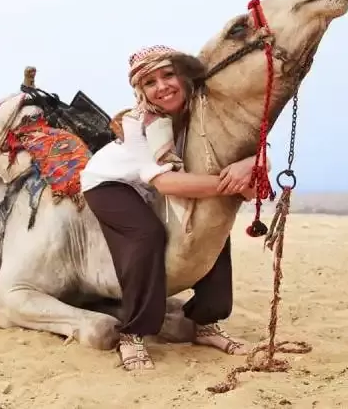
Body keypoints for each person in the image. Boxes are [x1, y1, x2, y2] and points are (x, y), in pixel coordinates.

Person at [80, 45, 257, 371]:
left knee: (212, 225)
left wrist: (252, 162)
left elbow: (252, 145)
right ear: (140, 90)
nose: (161, 87)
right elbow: (163, 183)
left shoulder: (204, 110)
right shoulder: (138, 122)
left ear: (183, 76)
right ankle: (133, 335)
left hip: (153, 182)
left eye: (168, 75)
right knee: (145, 236)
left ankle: (205, 321)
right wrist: (230, 183)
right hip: (110, 183)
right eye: (149, 82)